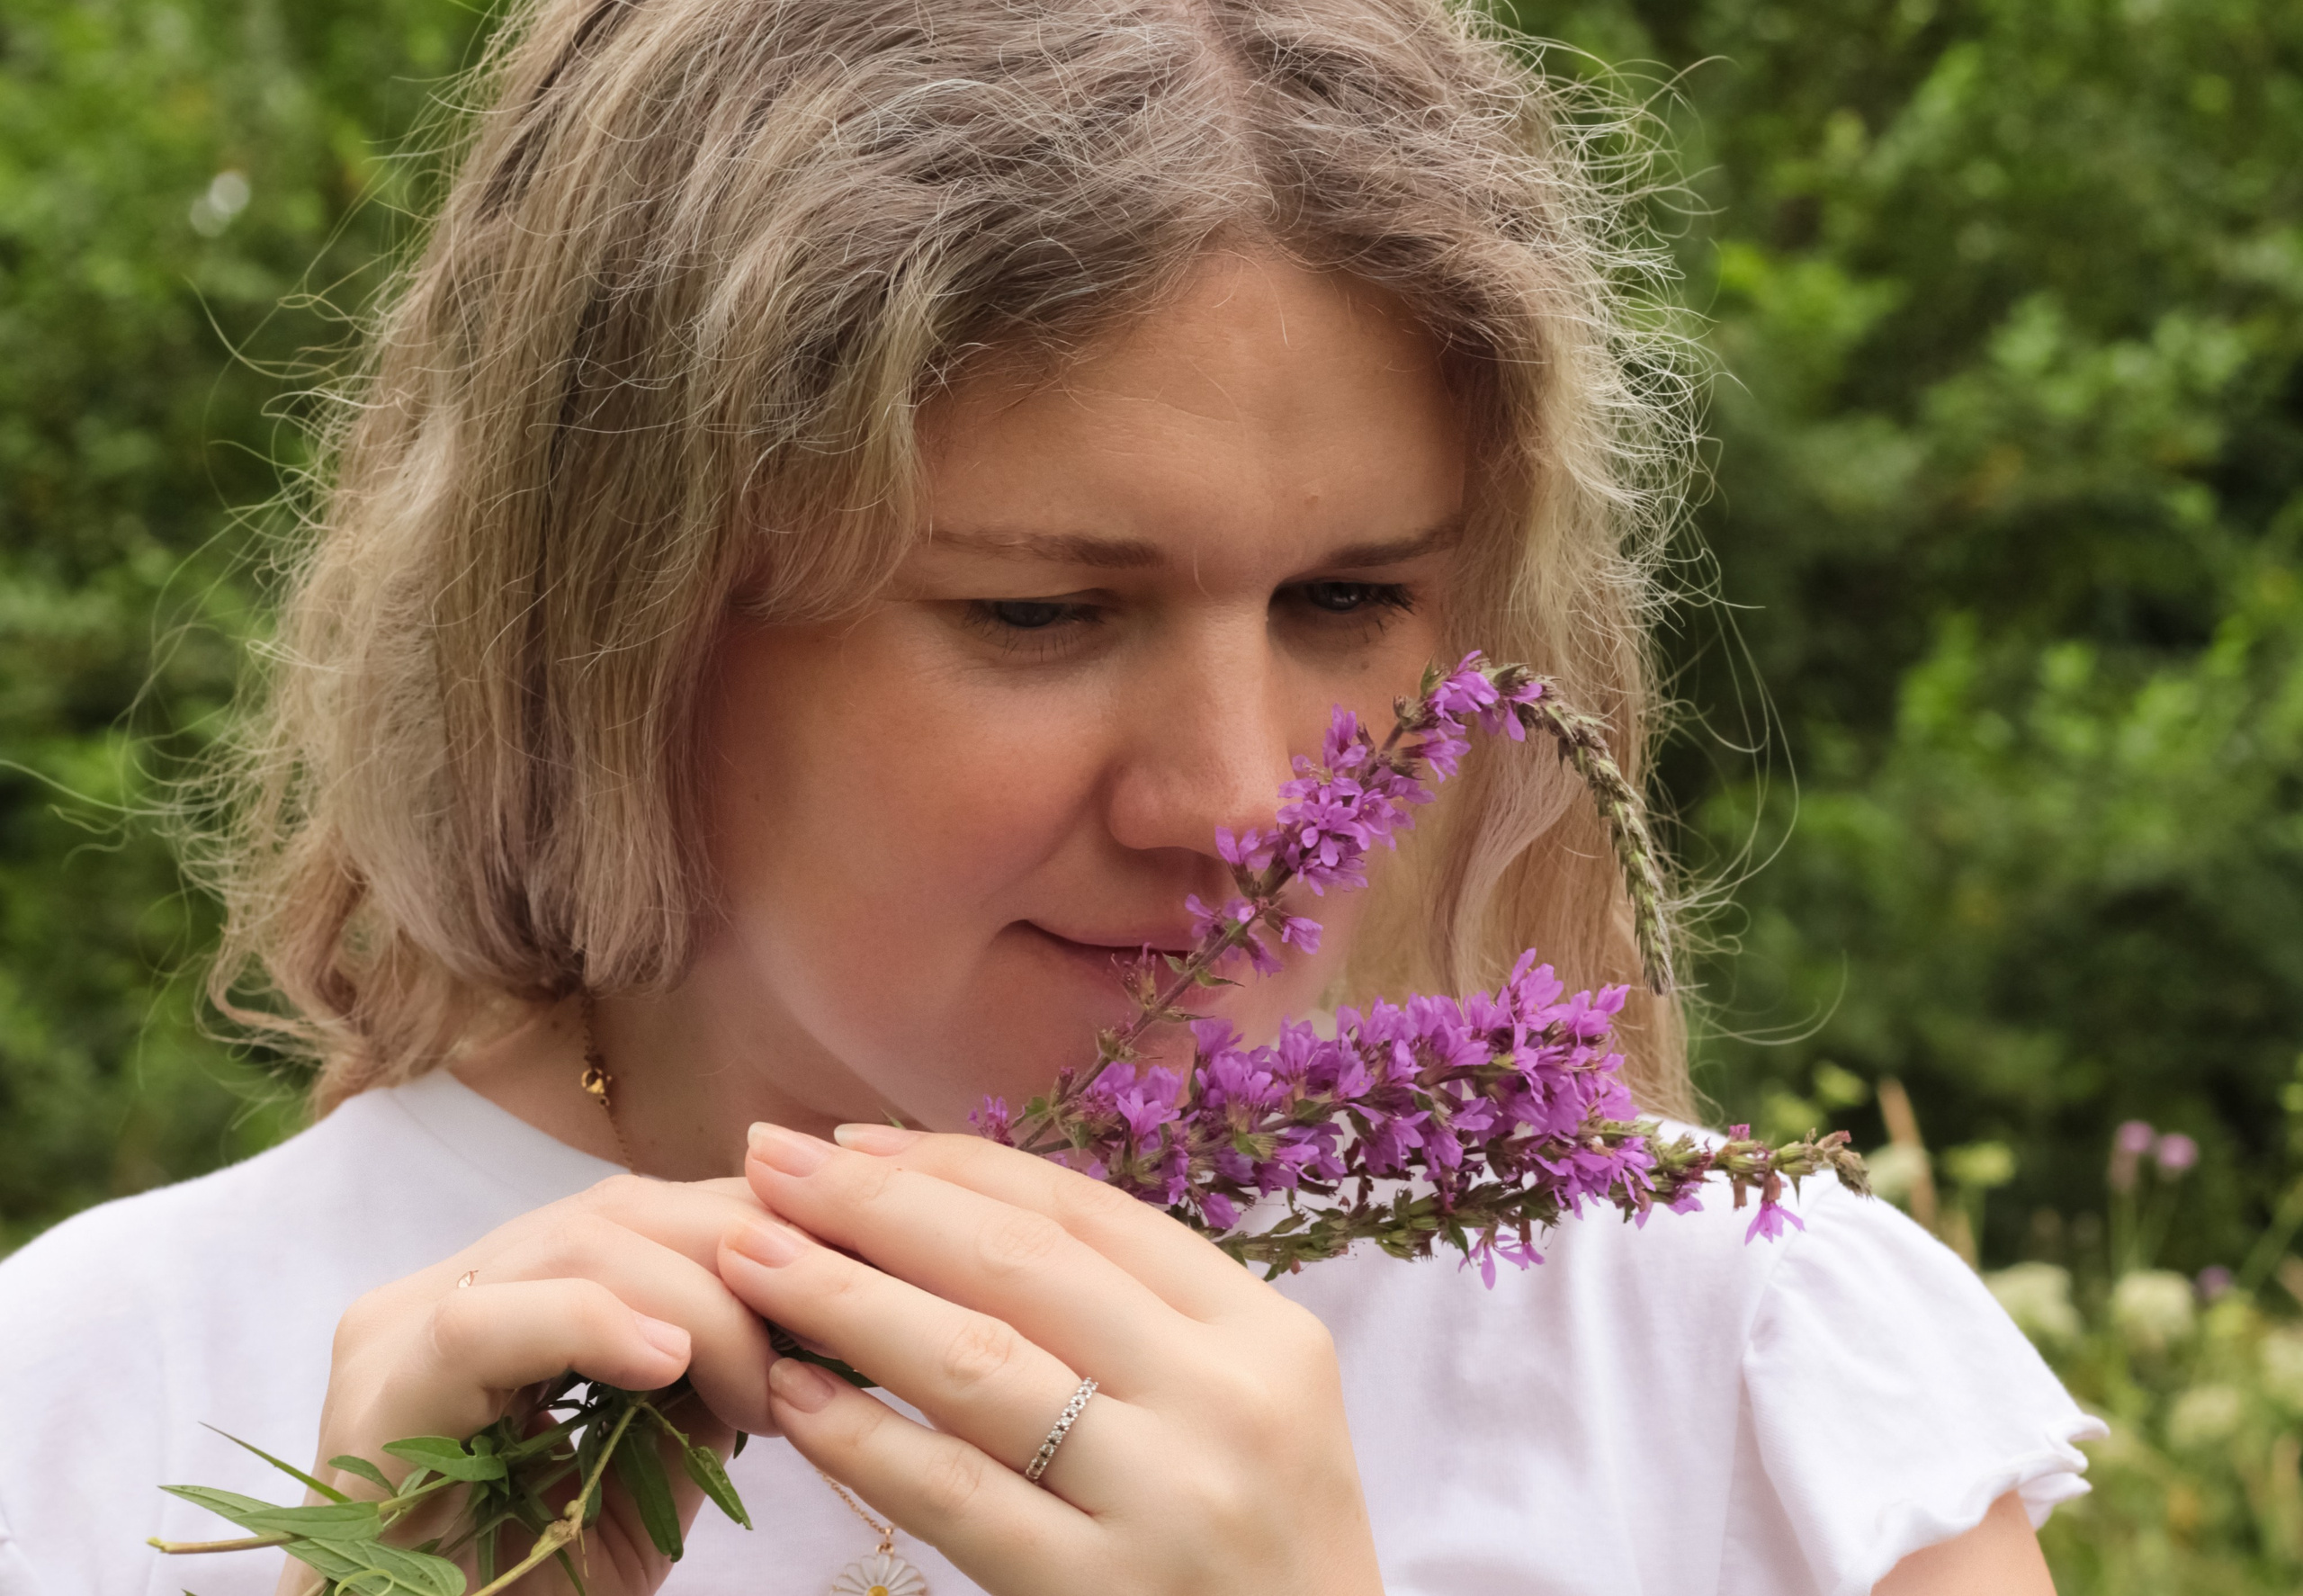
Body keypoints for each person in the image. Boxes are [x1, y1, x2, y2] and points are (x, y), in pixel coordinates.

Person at [0, 2, 2101, 1592]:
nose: (1246, 794)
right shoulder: (89, 1392)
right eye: (1039, 612)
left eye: (1350, 596)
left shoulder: (1733, 1357)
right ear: (615, 607)